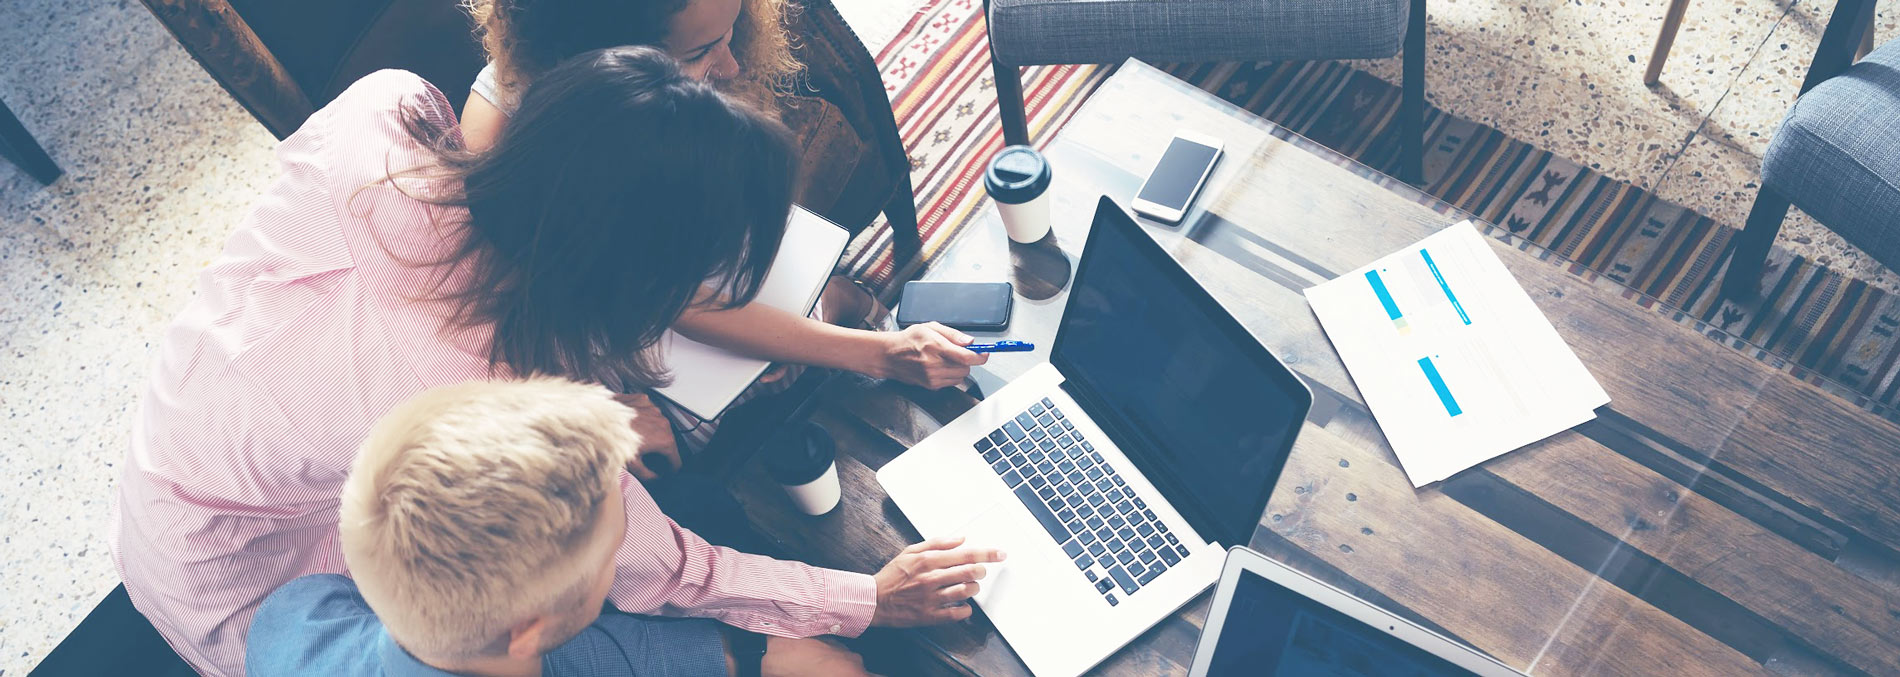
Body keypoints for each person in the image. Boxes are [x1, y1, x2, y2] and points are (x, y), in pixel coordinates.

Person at [112, 47, 997, 677]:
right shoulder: (500, 411)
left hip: (177, 458)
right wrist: (869, 599)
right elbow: (668, 571)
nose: (726, 66)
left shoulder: (388, 105)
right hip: (250, 583)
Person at [457, 0, 941, 453]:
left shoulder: (651, 116)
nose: (733, 68)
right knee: (754, 381)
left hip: (673, 267)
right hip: (628, 312)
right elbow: (675, 303)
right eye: (701, 51)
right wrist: (878, 352)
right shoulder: (507, 142)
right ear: (610, 57)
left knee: (787, 339)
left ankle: (833, 302)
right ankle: (837, 300)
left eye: (731, 31)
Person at [247, 378, 872, 677]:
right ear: (531, 630)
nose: (628, 553)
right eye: (614, 557)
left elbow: (579, 654)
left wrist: (753, 656)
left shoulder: (294, 616)